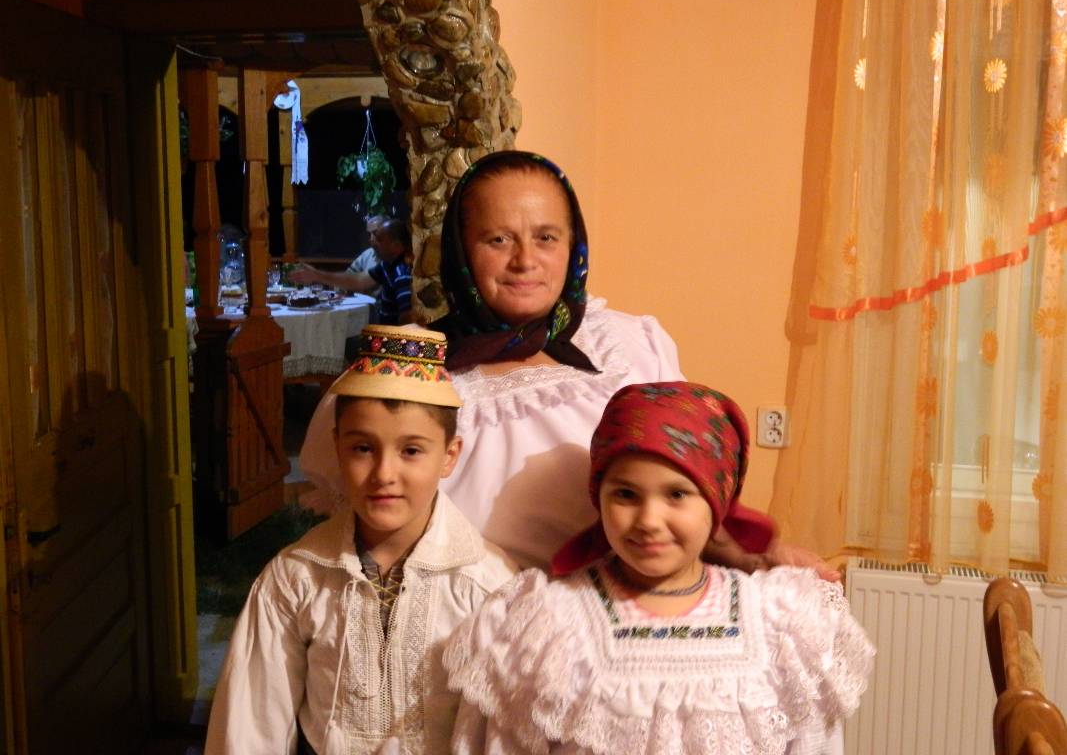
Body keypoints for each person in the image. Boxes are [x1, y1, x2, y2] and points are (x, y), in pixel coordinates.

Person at [300, 150, 838, 576]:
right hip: (461, 650)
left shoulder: (629, 348)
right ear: (460, 250)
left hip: (612, 641)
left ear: (572, 246)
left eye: (546, 238)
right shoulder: (406, 369)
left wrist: (759, 557)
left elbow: (682, 494)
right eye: (497, 239)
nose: (525, 260)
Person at [444, 382, 874, 754]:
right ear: (599, 497)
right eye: (626, 495)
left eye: (677, 495)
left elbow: (814, 743)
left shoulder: (779, 622)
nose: (649, 520)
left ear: (718, 503)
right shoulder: (550, 624)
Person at [204, 325, 516, 755]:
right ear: (338, 447)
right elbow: (251, 723)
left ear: (449, 456)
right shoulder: (296, 578)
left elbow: (503, 729)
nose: (384, 474)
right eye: (363, 449)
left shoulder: (489, 586)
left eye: (411, 451)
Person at [291, 217, 413, 323]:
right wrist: (317, 275)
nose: (373, 243)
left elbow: (407, 318)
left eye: (380, 240)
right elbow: (358, 280)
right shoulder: (387, 265)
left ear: (396, 246)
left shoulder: (402, 273)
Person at [347, 215, 385, 298]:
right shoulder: (368, 253)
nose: (371, 239)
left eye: (375, 233)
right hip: (365, 303)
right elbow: (348, 275)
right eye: (369, 234)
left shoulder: (395, 257)